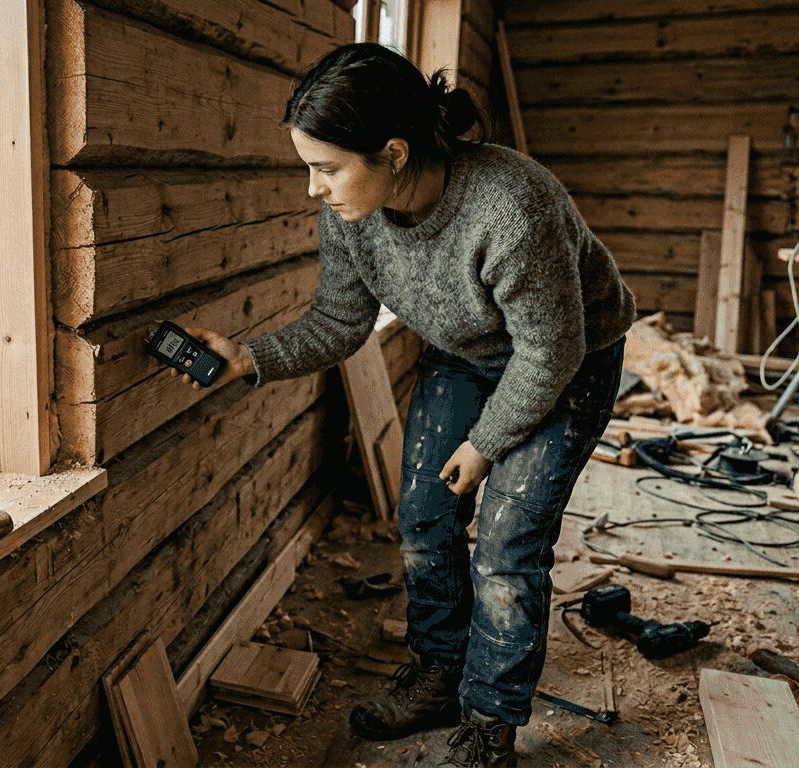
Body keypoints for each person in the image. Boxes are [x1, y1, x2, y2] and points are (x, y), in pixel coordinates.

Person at [175, 43, 636, 768]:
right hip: (464, 349)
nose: (312, 189)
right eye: (308, 167)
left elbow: (550, 352)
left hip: (567, 358)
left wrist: (485, 443)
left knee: (508, 548)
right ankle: (437, 675)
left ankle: (490, 721)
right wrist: (248, 357)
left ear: (393, 152)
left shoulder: (513, 206)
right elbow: (339, 323)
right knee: (424, 517)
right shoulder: (353, 213)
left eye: (326, 168)